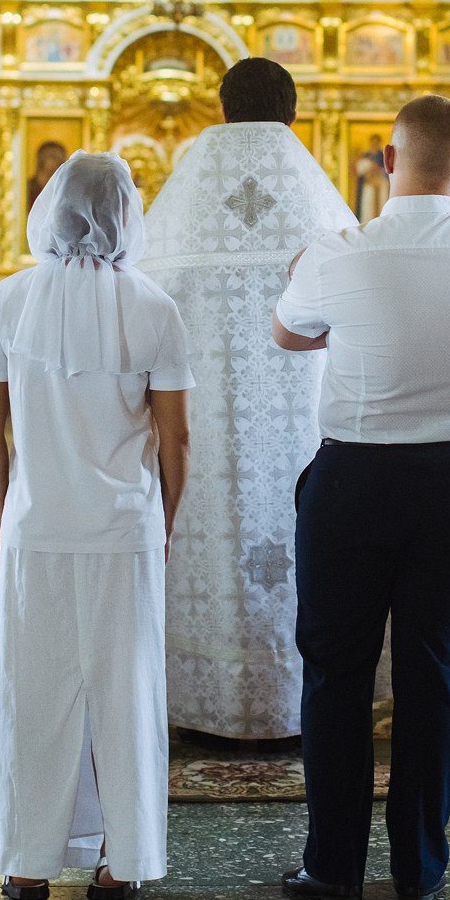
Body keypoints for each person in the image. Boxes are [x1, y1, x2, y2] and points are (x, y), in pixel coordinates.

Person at [272, 93, 450, 900]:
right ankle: (420, 866)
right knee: (435, 666)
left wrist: (335, 319)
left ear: (387, 162)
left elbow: (286, 333)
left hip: (356, 480)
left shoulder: (337, 250)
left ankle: (333, 865)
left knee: (338, 670)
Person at [0, 151, 191, 900]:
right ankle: (123, 861)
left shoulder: (9, 299)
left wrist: (4, 519)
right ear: (128, 213)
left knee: (35, 690)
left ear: (52, 211)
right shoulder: (155, 307)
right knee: (125, 692)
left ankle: (27, 861)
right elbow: (176, 438)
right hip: (123, 530)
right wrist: (163, 523)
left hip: (38, 526)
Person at [140, 57, 355, 743]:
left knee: (213, 544)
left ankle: (202, 701)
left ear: (223, 107)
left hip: (197, 426)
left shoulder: (181, 203)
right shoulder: (320, 202)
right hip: (304, 428)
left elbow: (140, 300)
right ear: (292, 111)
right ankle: (296, 698)